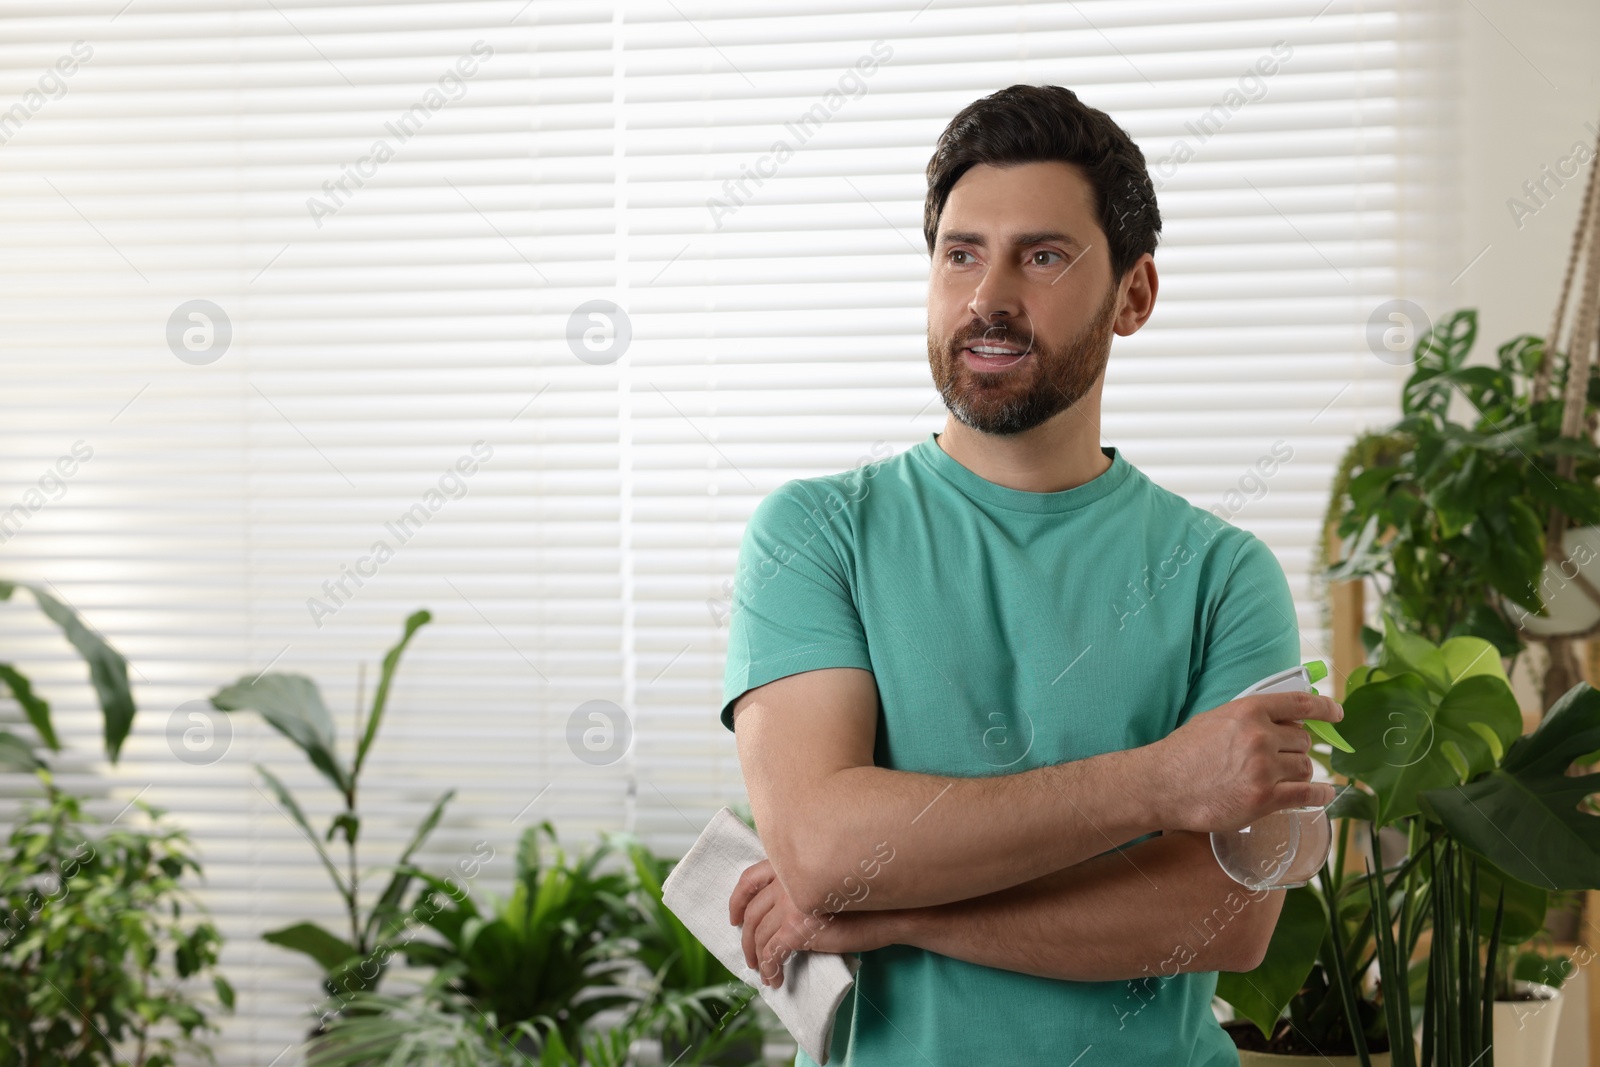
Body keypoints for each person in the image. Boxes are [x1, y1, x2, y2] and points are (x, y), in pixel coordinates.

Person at [719, 83, 1343, 1066]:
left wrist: (896, 915)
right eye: (960, 253)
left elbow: (1224, 917)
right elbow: (827, 849)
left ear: (1132, 295)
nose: (988, 296)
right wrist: (1158, 783)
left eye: (1042, 256)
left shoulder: (1226, 576)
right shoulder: (814, 534)